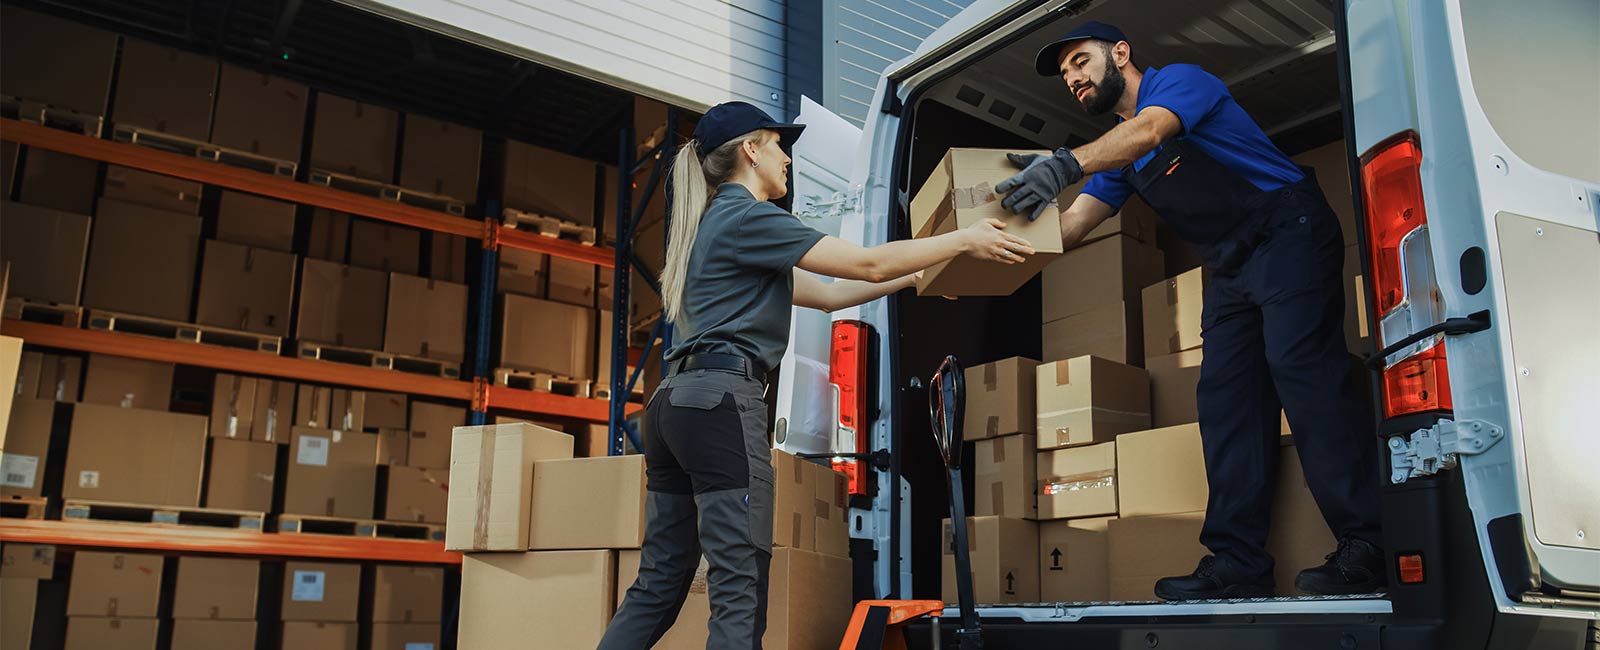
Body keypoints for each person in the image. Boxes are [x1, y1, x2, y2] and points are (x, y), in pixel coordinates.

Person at [597, 101, 1034, 649]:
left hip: (674, 407)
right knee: (739, 584)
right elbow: (866, 263)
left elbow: (828, 296)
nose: (786, 158)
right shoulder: (748, 216)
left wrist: (919, 274)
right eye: (779, 145)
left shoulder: (714, 227)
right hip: (721, 406)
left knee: (659, 582)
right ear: (751, 150)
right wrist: (964, 239)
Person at [999, 21, 1385, 600]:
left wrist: (1065, 164)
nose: (1073, 78)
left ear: (1120, 54)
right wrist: (987, 257)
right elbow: (1075, 223)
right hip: (1231, 265)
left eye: (1080, 61)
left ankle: (1369, 543)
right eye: (1065, 75)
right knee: (1226, 401)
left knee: (1302, 372)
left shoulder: (1177, 84)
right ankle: (1238, 562)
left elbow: (1151, 132)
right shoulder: (1116, 149)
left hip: (1288, 231)